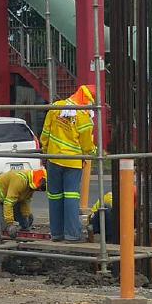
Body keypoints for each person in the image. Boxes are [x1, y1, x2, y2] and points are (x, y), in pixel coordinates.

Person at [41, 85, 97, 243]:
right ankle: (72, 234)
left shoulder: (57, 107)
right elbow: (86, 145)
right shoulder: (83, 117)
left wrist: (46, 150)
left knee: (55, 196)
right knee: (71, 197)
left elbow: (45, 132)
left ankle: (57, 233)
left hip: (53, 158)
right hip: (72, 162)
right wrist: (94, 153)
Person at [0, 167, 47, 241]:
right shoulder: (20, 180)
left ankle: (21, 240)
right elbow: (8, 203)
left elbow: (25, 200)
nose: (38, 190)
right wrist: (10, 223)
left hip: (8, 199)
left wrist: (27, 215)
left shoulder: (31, 185)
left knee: (26, 221)